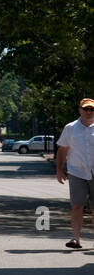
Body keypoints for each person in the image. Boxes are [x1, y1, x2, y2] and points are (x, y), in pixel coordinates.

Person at [55, 98, 94, 248]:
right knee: (77, 206)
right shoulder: (70, 128)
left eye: (92, 109)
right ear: (80, 110)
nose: (89, 112)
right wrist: (59, 170)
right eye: (86, 109)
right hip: (77, 172)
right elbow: (62, 149)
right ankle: (75, 239)